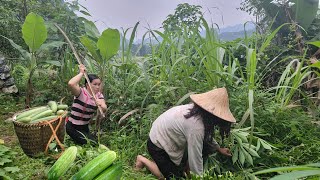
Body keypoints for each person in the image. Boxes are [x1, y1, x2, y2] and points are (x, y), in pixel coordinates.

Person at [135, 87, 236, 179]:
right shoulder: (196, 127)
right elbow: (195, 158)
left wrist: (219, 148)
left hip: (168, 136)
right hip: (157, 144)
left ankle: (184, 168)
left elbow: (206, 136)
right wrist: (198, 177)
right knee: (172, 178)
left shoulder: (198, 112)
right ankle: (143, 160)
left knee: (205, 147)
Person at [66, 64, 107, 145]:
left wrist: (102, 106)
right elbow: (71, 84)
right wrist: (81, 73)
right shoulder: (80, 92)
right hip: (72, 127)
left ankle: (77, 140)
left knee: (94, 143)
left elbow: (104, 108)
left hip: (84, 127)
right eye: (95, 84)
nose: (98, 87)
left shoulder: (99, 95)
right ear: (88, 85)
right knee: (92, 144)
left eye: (99, 84)